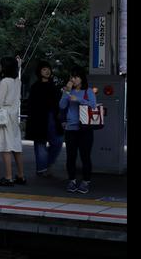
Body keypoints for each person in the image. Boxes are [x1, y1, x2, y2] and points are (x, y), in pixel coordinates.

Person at [0, 55, 26, 186]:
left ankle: (8, 177)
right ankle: (21, 175)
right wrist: (18, 64)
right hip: (14, 116)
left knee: (6, 146)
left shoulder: (4, 82)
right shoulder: (17, 81)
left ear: (5, 67)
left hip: (4, 116)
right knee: (16, 146)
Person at [59, 65, 98, 194]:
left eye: (75, 77)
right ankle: (72, 180)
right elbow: (62, 105)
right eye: (71, 77)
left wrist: (79, 99)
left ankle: (86, 181)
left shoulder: (89, 91)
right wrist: (67, 92)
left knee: (85, 156)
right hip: (71, 128)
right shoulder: (68, 91)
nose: (73, 79)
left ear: (81, 78)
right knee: (71, 156)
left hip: (85, 128)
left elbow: (93, 105)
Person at [25, 60, 63, 176]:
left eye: (48, 69)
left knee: (58, 141)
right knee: (40, 143)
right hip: (38, 118)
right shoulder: (35, 87)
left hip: (53, 117)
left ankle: (46, 165)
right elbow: (31, 105)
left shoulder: (54, 86)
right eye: (44, 69)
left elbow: (59, 102)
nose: (47, 71)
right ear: (39, 71)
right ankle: (42, 169)